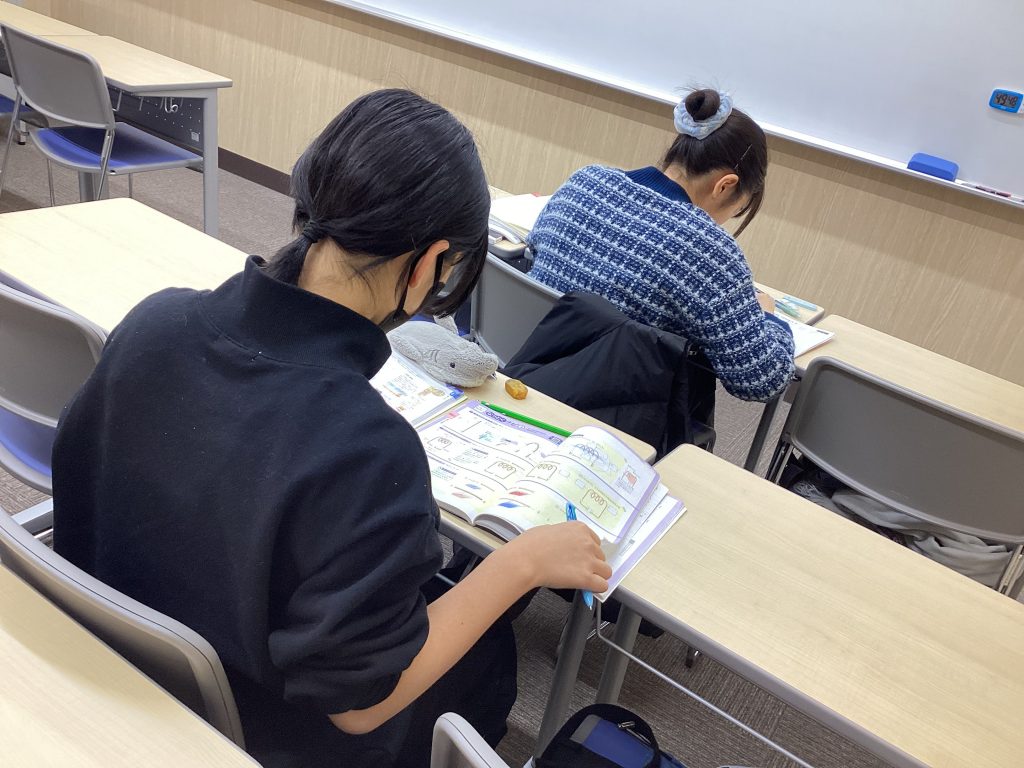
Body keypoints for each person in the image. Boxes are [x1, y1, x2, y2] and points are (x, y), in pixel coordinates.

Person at [50, 89, 610, 768]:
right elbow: (358, 705)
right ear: (429, 264)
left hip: (97, 670)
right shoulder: (371, 451)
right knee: (487, 659)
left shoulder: (154, 321)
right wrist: (521, 564)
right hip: (242, 735)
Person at [528, 88, 795, 402]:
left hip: (521, 372)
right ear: (725, 186)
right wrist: (768, 317)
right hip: (601, 410)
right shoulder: (709, 251)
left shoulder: (585, 181)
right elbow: (762, 382)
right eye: (737, 209)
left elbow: (533, 255)